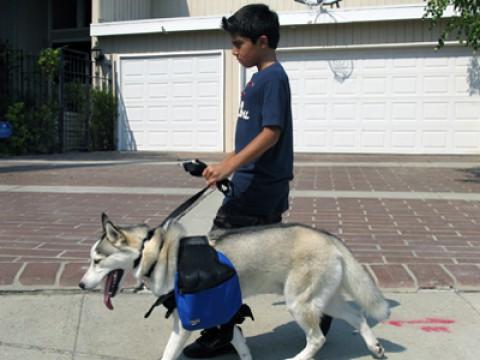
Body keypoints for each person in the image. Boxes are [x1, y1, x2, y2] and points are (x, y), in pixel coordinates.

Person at [183, 4, 332, 358]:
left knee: (220, 256)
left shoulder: (274, 78)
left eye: (238, 44)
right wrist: (229, 168)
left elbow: (271, 133)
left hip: (258, 189)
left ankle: (221, 332)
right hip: (255, 187)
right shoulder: (259, 78)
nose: (234, 51)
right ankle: (319, 307)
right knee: (268, 260)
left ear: (262, 41)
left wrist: (229, 165)